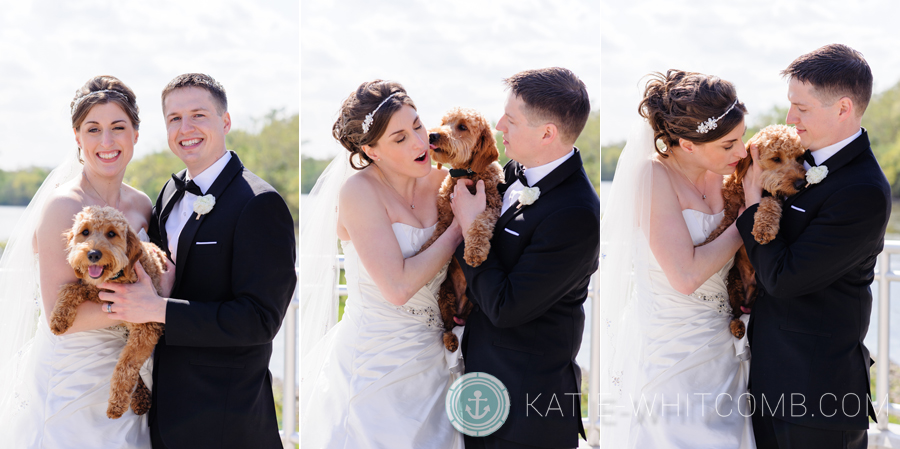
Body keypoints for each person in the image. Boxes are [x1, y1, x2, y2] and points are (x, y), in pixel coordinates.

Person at [98, 73, 296, 449]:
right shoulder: (170, 191)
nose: (185, 128)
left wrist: (160, 309)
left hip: (225, 415)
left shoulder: (259, 204)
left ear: (225, 121)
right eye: (174, 118)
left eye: (198, 115)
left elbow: (259, 320)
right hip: (164, 407)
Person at [0, 75, 171, 448]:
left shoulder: (143, 205)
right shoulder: (63, 207)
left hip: (128, 374)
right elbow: (61, 317)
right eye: (93, 129)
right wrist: (145, 308)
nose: (106, 142)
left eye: (118, 128)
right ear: (77, 137)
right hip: (71, 379)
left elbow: (152, 275)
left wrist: (162, 297)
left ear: (136, 135)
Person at [300, 80, 465, 449]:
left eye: (418, 125)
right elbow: (397, 287)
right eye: (400, 138)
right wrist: (457, 229)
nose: (421, 143)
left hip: (436, 359)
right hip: (374, 364)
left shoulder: (443, 178)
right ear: (371, 150)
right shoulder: (359, 192)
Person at [738, 44, 889, 449]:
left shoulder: (862, 190)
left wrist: (753, 203)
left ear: (842, 108)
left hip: (818, 398)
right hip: (768, 386)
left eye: (801, 108)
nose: (790, 119)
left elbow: (784, 279)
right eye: (790, 106)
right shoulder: (801, 165)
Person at [599, 70, 755, 448]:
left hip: (725, 351)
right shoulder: (652, 176)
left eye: (742, 138)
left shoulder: (728, 172)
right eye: (728, 144)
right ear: (687, 143)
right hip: (671, 354)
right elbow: (685, 275)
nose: (741, 152)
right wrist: (749, 217)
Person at [449, 67, 600, 449]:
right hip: (480, 395)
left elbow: (506, 307)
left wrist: (470, 229)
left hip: (528, 411)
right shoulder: (512, 173)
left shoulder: (576, 213)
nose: (499, 124)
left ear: (547, 133)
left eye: (511, 120)